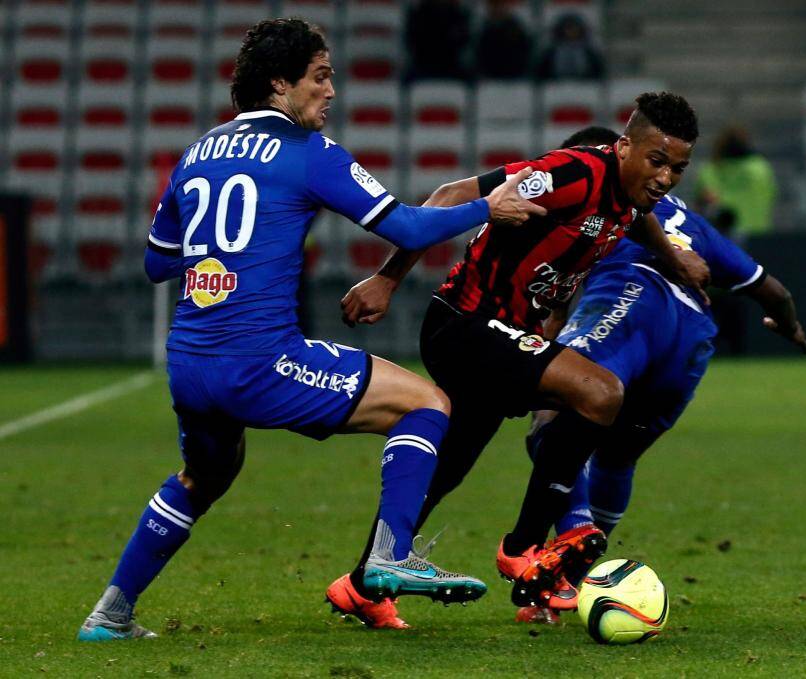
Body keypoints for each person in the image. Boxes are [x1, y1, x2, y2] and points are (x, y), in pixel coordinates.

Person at [77, 18, 545, 641]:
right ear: (280, 84)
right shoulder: (307, 153)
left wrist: (218, 259)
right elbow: (405, 227)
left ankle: (109, 614)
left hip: (190, 363)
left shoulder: (196, 153)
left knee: (205, 476)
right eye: (320, 77)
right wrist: (488, 206)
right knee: (427, 404)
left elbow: (157, 262)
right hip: (259, 361)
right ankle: (388, 557)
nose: (331, 92)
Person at [336, 94, 708, 624]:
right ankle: (525, 548)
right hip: (463, 327)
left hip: (502, 336)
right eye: (657, 160)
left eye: (678, 167)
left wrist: (675, 260)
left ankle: (362, 588)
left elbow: (640, 219)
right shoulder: (573, 173)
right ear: (624, 147)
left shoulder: (632, 197)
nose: (667, 177)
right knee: (600, 392)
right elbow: (448, 196)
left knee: (447, 469)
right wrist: (388, 278)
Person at [517, 125, 806, 624]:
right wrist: (790, 327)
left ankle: (567, 572)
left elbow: (562, 280)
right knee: (615, 456)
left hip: (631, 303)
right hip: (692, 338)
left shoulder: (588, 196)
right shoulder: (691, 221)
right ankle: (594, 569)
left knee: (552, 417)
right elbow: (773, 292)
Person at [695, 125, 777, 240]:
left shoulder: (711, 170)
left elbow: (706, 200)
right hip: (760, 233)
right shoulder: (761, 167)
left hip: (725, 238)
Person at [404, 0, 473, 82]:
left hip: (452, 66)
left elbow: (464, 42)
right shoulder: (417, 14)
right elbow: (411, 42)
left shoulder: (459, 15)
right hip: (423, 66)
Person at [535, 13, 604, 81]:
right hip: (554, 88)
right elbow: (541, 72)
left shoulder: (589, 52)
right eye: (568, 28)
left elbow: (598, 72)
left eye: (575, 28)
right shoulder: (550, 52)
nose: (572, 32)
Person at [474, 0, 532, 80]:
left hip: (514, 79)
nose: (497, 9)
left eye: (499, 6)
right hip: (488, 79)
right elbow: (479, 55)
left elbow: (522, 55)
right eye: (493, 6)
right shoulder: (484, 29)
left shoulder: (515, 29)